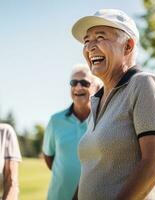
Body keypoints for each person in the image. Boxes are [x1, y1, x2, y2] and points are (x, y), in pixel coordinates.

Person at [71, 9, 155, 200]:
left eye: (100, 37)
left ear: (128, 46)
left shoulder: (142, 83)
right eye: (86, 40)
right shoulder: (97, 98)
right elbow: (91, 171)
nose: (90, 46)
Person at [42, 64, 102, 200]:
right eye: (73, 83)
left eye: (85, 83)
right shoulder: (55, 121)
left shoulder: (103, 120)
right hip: (58, 196)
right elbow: (48, 156)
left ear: (95, 88)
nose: (78, 87)